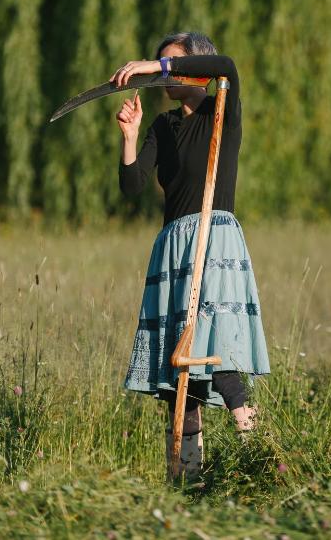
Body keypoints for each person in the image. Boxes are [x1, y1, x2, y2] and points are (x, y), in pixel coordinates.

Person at [111, 31, 269, 482]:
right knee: (179, 368)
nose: (164, 76)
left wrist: (149, 65)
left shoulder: (220, 109)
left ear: (195, 70)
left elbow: (229, 66)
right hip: (173, 245)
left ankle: (263, 459)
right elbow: (133, 184)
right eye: (162, 67)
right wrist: (129, 136)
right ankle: (187, 479)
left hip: (213, 240)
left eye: (172, 66)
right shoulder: (164, 125)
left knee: (218, 354)